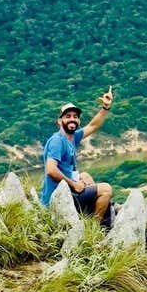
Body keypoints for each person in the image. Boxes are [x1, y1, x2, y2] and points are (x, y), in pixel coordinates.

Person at [40, 87, 115, 228]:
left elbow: (93, 126)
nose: (72, 119)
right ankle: (94, 228)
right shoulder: (57, 141)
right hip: (59, 198)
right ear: (59, 121)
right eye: (67, 116)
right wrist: (75, 184)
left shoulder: (72, 138)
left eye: (75, 116)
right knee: (106, 189)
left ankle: (106, 208)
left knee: (85, 175)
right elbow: (51, 170)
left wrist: (105, 107)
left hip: (68, 192)